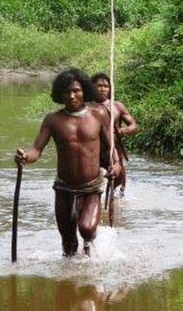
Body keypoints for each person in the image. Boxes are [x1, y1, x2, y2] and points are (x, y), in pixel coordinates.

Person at [15, 69, 120, 257]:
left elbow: (109, 147)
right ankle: (69, 276)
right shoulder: (53, 120)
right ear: (60, 94)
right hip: (63, 187)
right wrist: (25, 158)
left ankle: (90, 253)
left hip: (91, 186)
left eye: (76, 90)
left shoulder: (98, 115)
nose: (72, 96)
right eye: (67, 91)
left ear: (85, 92)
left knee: (87, 229)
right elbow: (36, 150)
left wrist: (116, 164)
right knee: (68, 241)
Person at [91, 72, 139, 197]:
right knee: (91, 189)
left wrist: (123, 131)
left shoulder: (117, 106)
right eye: (99, 86)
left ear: (110, 88)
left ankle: (117, 211)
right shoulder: (86, 107)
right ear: (92, 88)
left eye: (106, 86)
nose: (102, 89)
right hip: (92, 153)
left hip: (114, 152)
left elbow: (135, 126)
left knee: (118, 188)